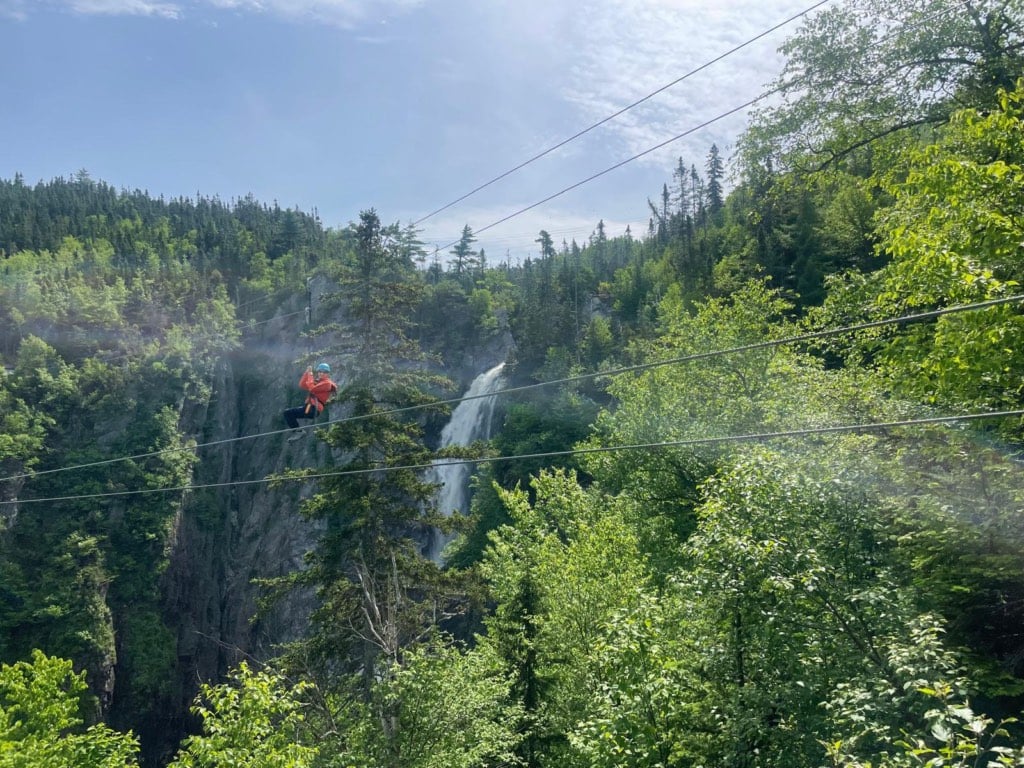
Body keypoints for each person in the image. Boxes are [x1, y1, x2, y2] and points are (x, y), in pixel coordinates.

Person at [284, 362, 338, 441]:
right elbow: (302, 385)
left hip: (313, 408)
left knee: (288, 413)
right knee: (288, 413)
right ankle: (298, 431)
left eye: (324, 372)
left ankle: (299, 432)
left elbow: (312, 388)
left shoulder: (327, 384)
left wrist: (310, 374)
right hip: (309, 407)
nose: (321, 373)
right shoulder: (318, 382)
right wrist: (307, 373)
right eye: (320, 371)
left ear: (328, 373)